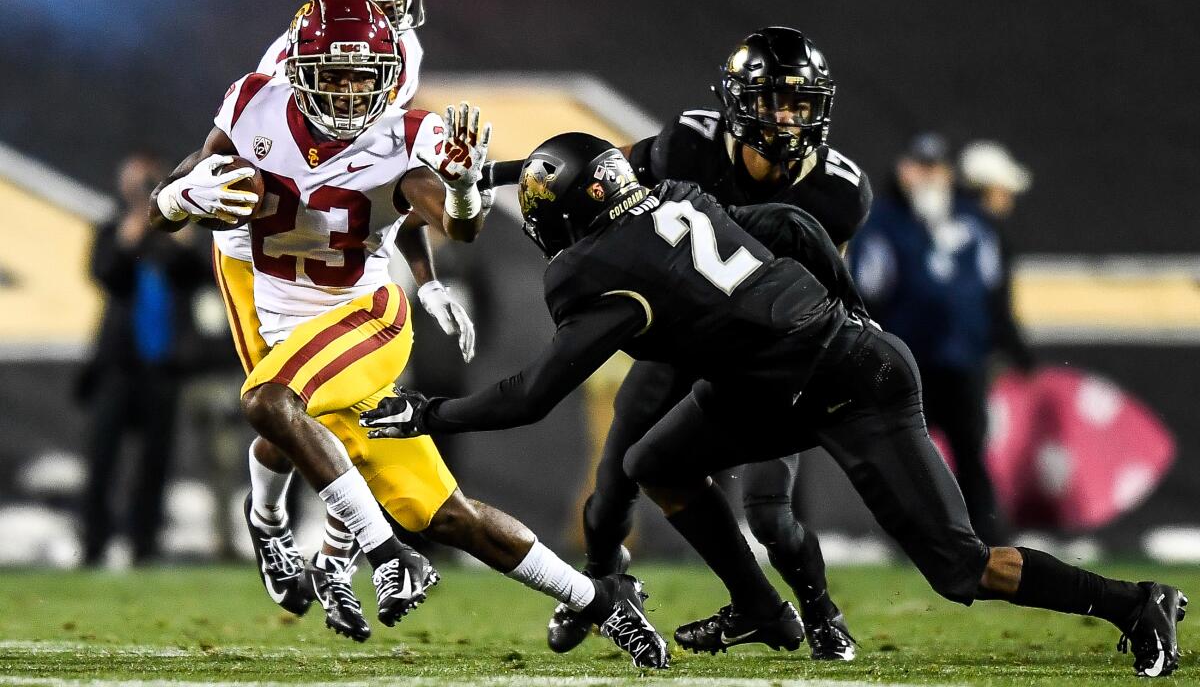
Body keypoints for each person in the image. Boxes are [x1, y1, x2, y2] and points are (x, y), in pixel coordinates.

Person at [363, 133, 1187, 678]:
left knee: (959, 569)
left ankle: (1131, 603)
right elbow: (792, 224)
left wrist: (426, 414)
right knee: (657, 461)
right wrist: (847, 302)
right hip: (792, 373)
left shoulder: (591, 269)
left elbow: (532, 394)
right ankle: (763, 609)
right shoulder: (676, 195)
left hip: (848, 383)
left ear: (564, 218)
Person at [149, 0, 666, 667]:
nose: (345, 93)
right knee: (448, 515)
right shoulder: (254, 103)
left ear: (386, 77)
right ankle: (599, 601)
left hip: (363, 320)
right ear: (298, 69)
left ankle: (385, 553)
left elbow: (459, 226)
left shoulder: (406, 136)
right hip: (289, 329)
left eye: (361, 78)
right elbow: (178, 198)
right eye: (331, 75)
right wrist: (177, 197)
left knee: (269, 403)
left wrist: (460, 191)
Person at [482, 26, 868, 660]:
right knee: (611, 491)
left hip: (764, 362)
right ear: (739, 102)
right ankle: (600, 588)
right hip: (679, 342)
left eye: (799, 103)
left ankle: (821, 611)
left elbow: (831, 280)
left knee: (771, 512)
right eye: (772, 100)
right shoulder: (691, 144)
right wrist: (494, 172)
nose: (786, 118)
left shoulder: (839, 190)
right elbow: (598, 171)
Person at [209, 0, 478, 635]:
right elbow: (236, 153)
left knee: (325, 408)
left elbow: (385, 182)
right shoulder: (293, 55)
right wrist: (192, 194)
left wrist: (422, 275)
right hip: (257, 244)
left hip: (341, 238)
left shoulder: (398, 47)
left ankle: (336, 552)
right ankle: (269, 524)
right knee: (285, 407)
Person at [848, 133, 1014, 544]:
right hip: (908, 358)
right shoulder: (883, 222)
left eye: (935, 168)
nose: (926, 178)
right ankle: (910, 537)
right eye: (918, 167)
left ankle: (986, 535)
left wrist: (996, 342)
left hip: (963, 358)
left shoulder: (973, 221)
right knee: (905, 453)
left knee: (971, 450)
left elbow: (991, 289)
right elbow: (868, 290)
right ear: (902, 170)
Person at [77, 153, 212, 565]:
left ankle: (144, 544)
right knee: (101, 458)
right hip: (117, 362)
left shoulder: (179, 232)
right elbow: (105, 274)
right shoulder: (112, 228)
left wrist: (173, 228)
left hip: (164, 362)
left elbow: (202, 275)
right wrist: (132, 228)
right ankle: (94, 543)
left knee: (156, 459)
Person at [959, 139, 1036, 373]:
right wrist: (1025, 361)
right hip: (970, 359)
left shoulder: (931, 228)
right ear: (987, 190)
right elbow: (995, 305)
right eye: (1004, 191)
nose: (1009, 199)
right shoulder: (987, 238)